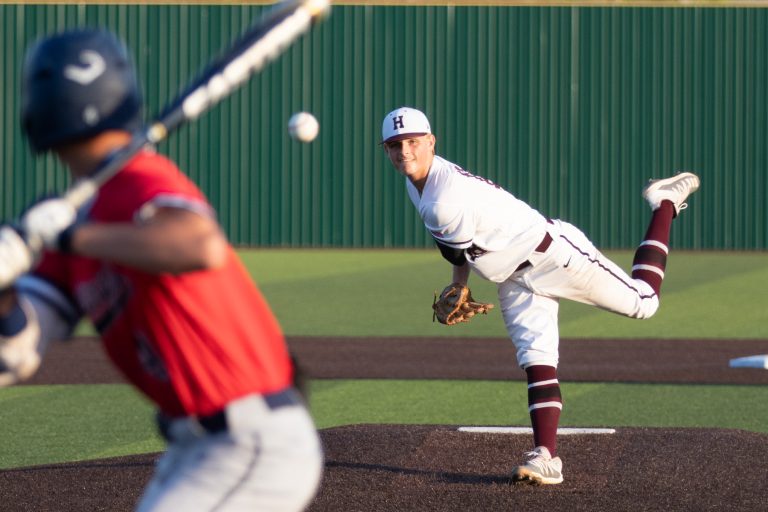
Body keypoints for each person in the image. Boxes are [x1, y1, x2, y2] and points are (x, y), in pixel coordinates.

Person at [0, 28, 323, 511]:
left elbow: (200, 244)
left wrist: (68, 236)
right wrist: (6, 287)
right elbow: (17, 353)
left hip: (251, 442)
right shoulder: (67, 225)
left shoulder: (136, 181)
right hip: (194, 447)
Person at [380, 106, 700, 485]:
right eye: (395, 145)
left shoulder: (442, 199)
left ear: (431, 142)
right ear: (386, 150)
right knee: (536, 358)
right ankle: (546, 456)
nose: (405, 152)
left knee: (645, 303)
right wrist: (462, 282)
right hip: (512, 278)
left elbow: (454, 253)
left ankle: (664, 202)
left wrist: (460, 283)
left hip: (553, 256)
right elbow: (458, 251)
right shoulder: (417, 183)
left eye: (413, 142)